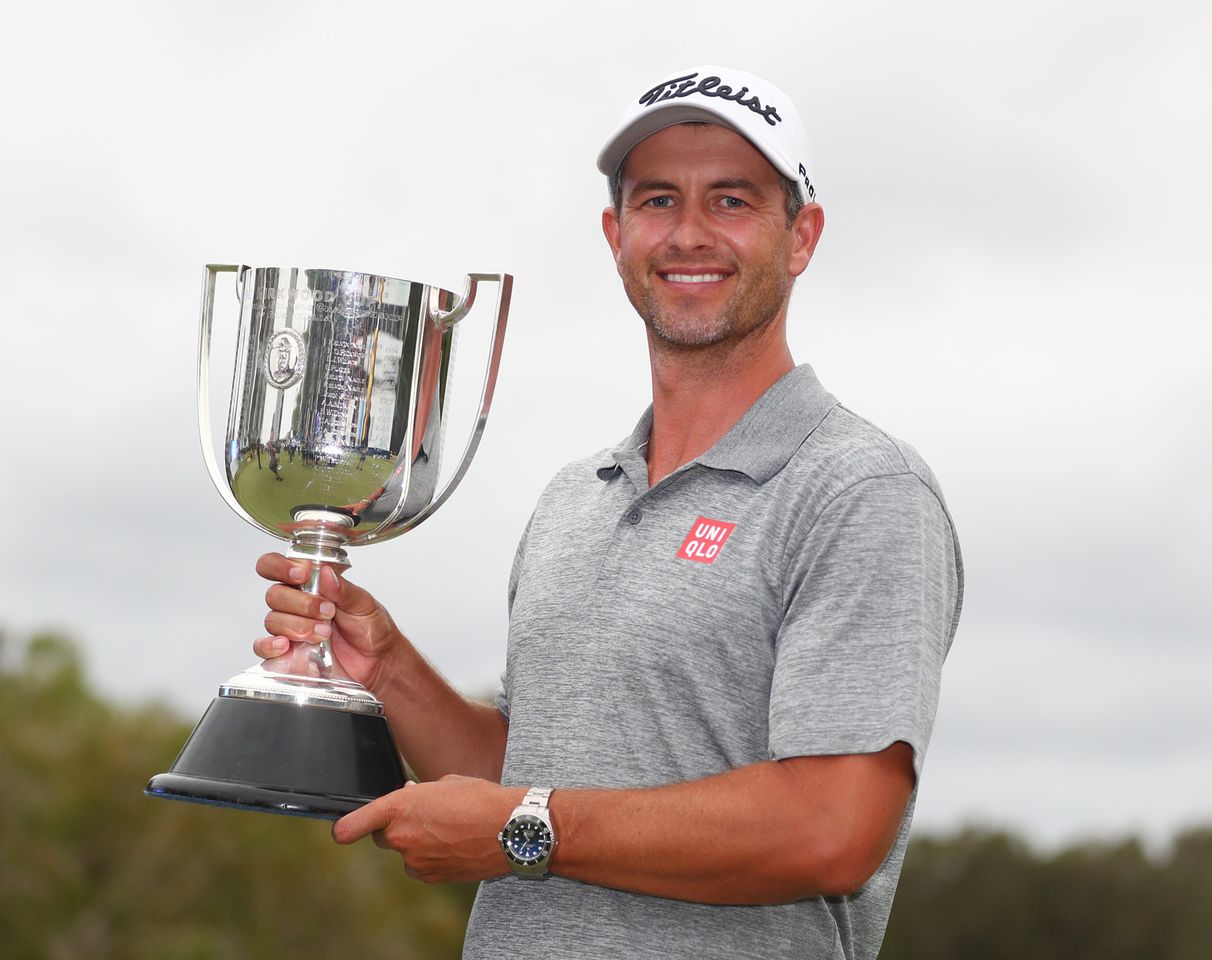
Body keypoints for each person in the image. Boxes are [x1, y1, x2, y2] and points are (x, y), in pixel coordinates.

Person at [253, 65, 963, 960]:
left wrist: (525, 825)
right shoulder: (573, 499)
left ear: (802, 237)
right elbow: (522, 780)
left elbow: (832, 829)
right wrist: (388, 670)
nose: (690, 233)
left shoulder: (861, 489)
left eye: (734, 201)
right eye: (658, 200)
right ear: (615, 233)